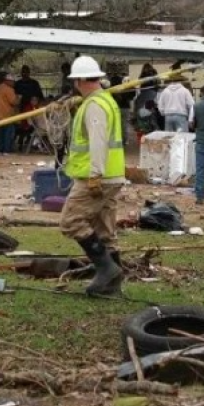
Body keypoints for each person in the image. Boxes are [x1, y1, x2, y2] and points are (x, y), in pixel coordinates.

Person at [60, 56, 126, 297]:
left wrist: (95, 175)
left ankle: (106, 269)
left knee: (71, 221)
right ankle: (112, 286)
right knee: (105, 227)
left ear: (78, 81)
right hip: (112, 174)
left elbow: (98, 142)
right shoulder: (105, 100)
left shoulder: (95, 106)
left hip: (96, 176)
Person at [0, 72, 21, 155]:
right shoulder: (9, 89)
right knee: (8, 133)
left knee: (1, 133)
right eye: (13, 82)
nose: (14, 83)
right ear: (8, 81)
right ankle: (6, 150)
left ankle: (0, 150)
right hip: (6, 115)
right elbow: (14, 102)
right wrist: (19, 98)